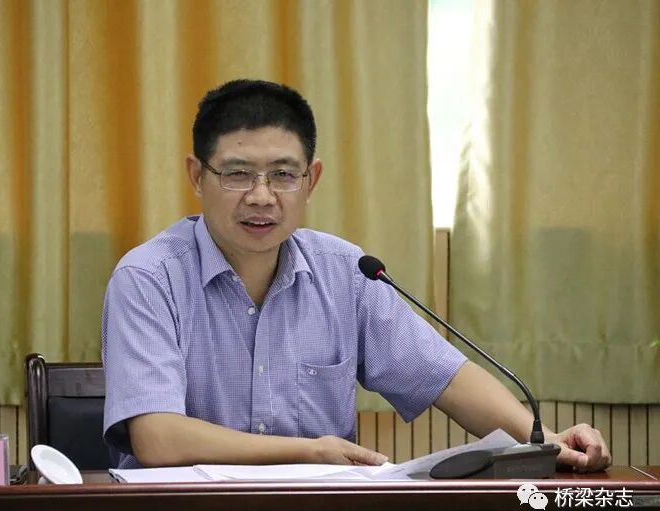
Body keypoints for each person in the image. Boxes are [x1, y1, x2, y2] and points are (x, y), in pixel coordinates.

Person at [102, 79, 611, 471]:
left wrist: (546, 441)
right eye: (237, 174)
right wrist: (306, 451)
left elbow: (444, 377)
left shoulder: (346, 272)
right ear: (197, 176)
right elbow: (158, 439)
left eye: (283, 174)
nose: (261, 196)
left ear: (311, 180)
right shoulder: (149, 278)